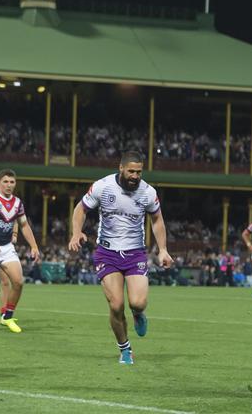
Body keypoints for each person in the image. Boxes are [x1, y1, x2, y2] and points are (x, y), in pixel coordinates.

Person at [68, 150, 174, 365]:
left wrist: (163, 249)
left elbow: (157, 220)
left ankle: (138, 314)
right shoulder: (102, 186)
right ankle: (125, 349)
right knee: (116, 305)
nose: (135, 176)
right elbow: (81, 208)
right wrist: (76, 231)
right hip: (107, 253)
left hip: (135, 253)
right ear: (121, 168)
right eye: (131, 171)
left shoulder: (148, 192)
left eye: (139, 172)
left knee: (138, 302)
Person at [0, 169, 40, 333]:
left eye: (12, 182)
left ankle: (7, 317)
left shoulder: (18, 203)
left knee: (18, 282)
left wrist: (34, 246)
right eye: (5, 181)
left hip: (6, 247)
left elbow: (24, 225)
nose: (9, 185)